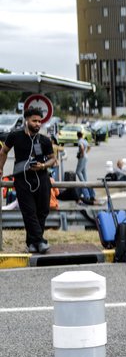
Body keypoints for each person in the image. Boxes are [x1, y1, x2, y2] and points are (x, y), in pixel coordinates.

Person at [0, 107, 56, 253]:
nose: (38, 124)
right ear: (26, 120)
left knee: (42, 211)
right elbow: (4, 151)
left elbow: (53, 160)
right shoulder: (15, 135)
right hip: (22, 179)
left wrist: (43, 165)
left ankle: (32, 242)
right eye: (34, 121)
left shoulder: (44, 140)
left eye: (40, 121)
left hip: (42, 178)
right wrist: (0, 168)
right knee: (29, 212)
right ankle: (41, 241)